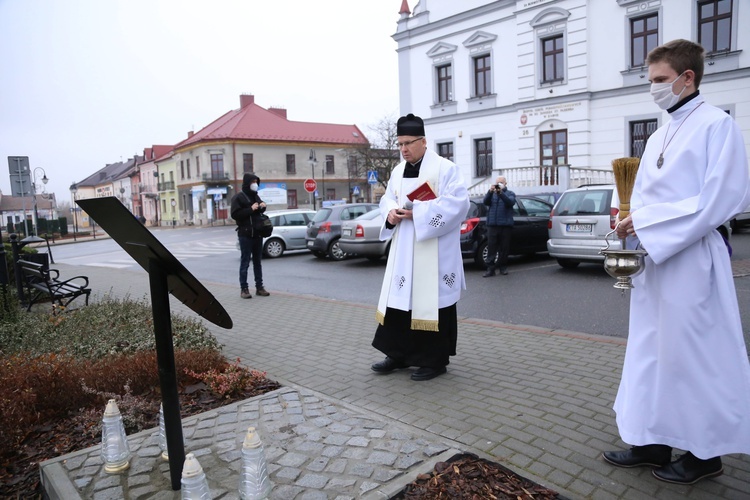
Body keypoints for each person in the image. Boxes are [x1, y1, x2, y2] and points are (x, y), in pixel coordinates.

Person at [603, 39, 750, 485]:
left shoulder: (716, 126)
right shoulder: (660, 132)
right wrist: (627, 215)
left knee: (692, 357)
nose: (654, 90)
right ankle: (652, 441)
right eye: (651, 81)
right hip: (657, 261)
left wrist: (645, 221)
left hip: (692, 260)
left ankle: (706, 455)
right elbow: (644, 192)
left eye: (660, 81)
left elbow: (720, 200)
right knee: (652, 355)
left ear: (688, 78)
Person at [370, 113, 469, 381]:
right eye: (400, 144)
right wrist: (391, 212)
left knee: (431, 302)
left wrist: (420, 213)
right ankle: (398, 354)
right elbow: (388, 198)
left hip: (434, 252)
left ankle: (434, 360)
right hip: (404, 250)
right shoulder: (398, 171)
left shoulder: (446, 169)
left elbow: (459, 204)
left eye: (408, 143)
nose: (403, 149)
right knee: (400, 301)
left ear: (423, 141)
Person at [230, 173, 270, 299]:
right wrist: (250, 209)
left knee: (257, 262)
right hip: (245, 234)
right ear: (247, 183)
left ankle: (260, 287)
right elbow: (235, 214)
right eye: (252, 181)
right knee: (245, 262)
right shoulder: (238, 197)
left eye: (256, 181)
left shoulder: (255, 196)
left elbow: (258, 212)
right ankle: (244, 289)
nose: (255, 184)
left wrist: (262, 206)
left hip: (257, 234)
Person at [482, 176, 516, 277]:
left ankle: (503, 267)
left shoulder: (510, 194)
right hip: (492, 224)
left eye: (501, 182)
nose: (499, 184)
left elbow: (510, 202)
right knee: (491, 247)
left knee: (504, 248)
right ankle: (490, 269)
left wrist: (500, 193)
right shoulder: (492, 194)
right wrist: (490, 191)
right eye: (497, 183)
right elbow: (485, 202)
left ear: (505, 184)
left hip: (505, 225)